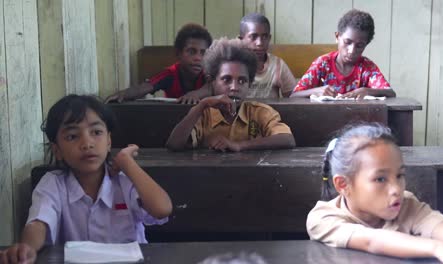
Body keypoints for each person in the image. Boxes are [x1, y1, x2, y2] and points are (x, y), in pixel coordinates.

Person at [0, 95, 172, 264]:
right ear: (57, 150)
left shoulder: (124, 181)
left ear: (109, 141)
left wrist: (127, 162)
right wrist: (27, 248)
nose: (87, 143)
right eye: (73, 136)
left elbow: (162, 209)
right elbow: (38, 223)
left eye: (96, 132)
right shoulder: (53, 184)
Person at [306, 123, 443, 263]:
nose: (397, 189)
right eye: (380, 179)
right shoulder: (323, 217)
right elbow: (371, 241)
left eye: (399, 176)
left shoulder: (406, 205)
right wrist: (439, 248)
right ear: (343, 185)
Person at [166, 38, 296, 152]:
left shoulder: (260, 112)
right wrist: (202, 104)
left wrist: (240, 145)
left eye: (242, 81)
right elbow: (174, 144)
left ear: (249, 84)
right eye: (226, 79)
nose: (234, 88)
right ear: (212, 81)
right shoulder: (203, 115)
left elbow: (287, 139)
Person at [185, 13, 296, 100]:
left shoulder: (277, 65)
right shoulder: (232, 65)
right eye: (253, 37)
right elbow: (209, 88)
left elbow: (292, 96)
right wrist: (195, 94)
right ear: (241, 39)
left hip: (266, 116)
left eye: (265, 37)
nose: (259, 43)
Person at [291, 9, 395, 99]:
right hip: (322, 119)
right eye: (347, 42)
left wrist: (367, 91)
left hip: (357, 120)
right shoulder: (323, 64)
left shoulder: (366, 67)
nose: (352, 50)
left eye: (359, 46)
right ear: (337, 37)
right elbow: (294, 96)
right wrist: (315, 91)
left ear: (366, 44)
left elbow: (390, 93)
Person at [104, 23, 212, 104]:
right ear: (178, 54)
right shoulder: (171, 74)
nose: (198, 58)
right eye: (191, 51)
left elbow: (211, 87)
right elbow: (145, 87)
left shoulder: (209, 72)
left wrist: (194, 94)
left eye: (203, 53)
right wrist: (123, 94)